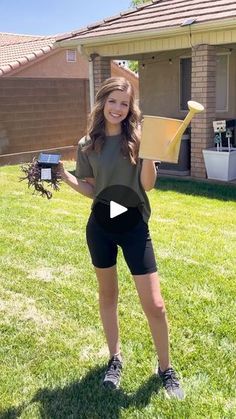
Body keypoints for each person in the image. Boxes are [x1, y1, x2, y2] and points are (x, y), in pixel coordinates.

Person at [59, 77, 184, 399]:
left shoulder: (141, 138)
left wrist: (147, 154)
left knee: (155, 305)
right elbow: (92, 189)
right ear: (102, 102)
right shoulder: (87, 144)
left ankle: (165, 367)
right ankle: (115, 358)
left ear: (131, 109)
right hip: (100, 225)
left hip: (133, 226)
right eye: (112, 101)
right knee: (108, 296)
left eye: (124, 103)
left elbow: (149, 184)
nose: (118, 108)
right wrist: (66, 177)